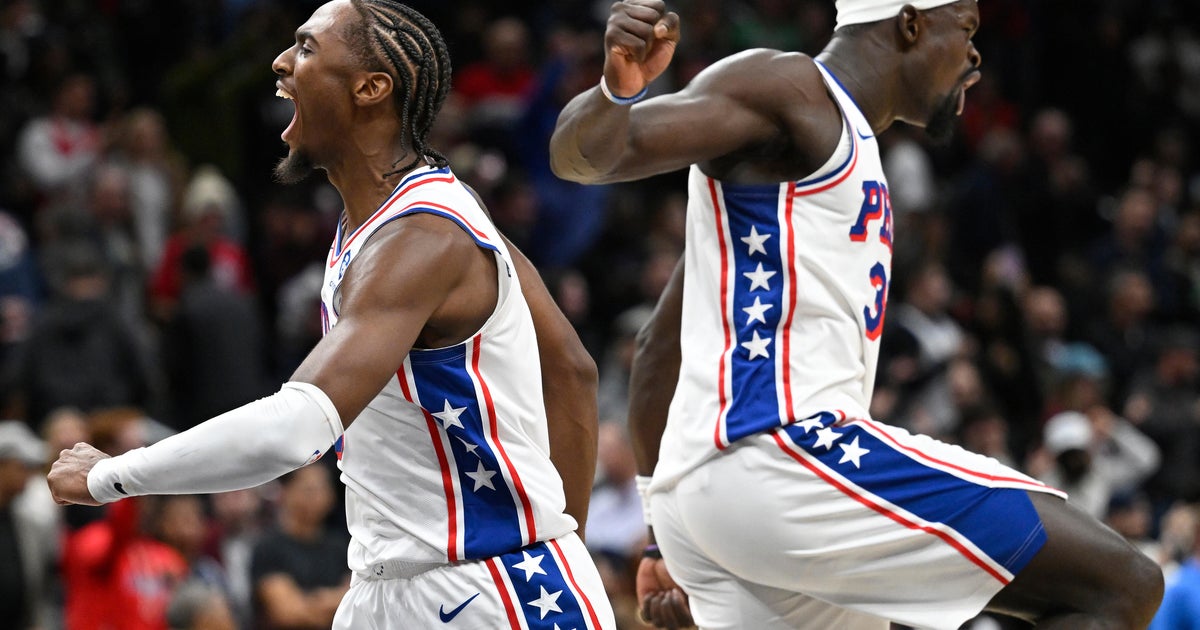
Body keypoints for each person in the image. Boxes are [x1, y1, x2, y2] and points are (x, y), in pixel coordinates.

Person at [550, 1, 1164, 628]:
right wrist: (615, 91)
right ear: (911, 24)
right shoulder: (790, 89)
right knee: (1123, 583)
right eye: (968, 29)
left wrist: (663, 529)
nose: (976, 55)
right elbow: (585, 156)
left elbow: (659, 346)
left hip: (714, 499)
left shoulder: (815, 170)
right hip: (777, 453)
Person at [48, 1, 615, 628]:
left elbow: (297, 429)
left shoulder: (424, 238)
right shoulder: (391, 218)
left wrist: (112, 474)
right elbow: (571, 367)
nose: (282, 62)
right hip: (390, 585)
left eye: (307, 47)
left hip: (486, 587)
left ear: (371, 88)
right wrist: (568, 549)